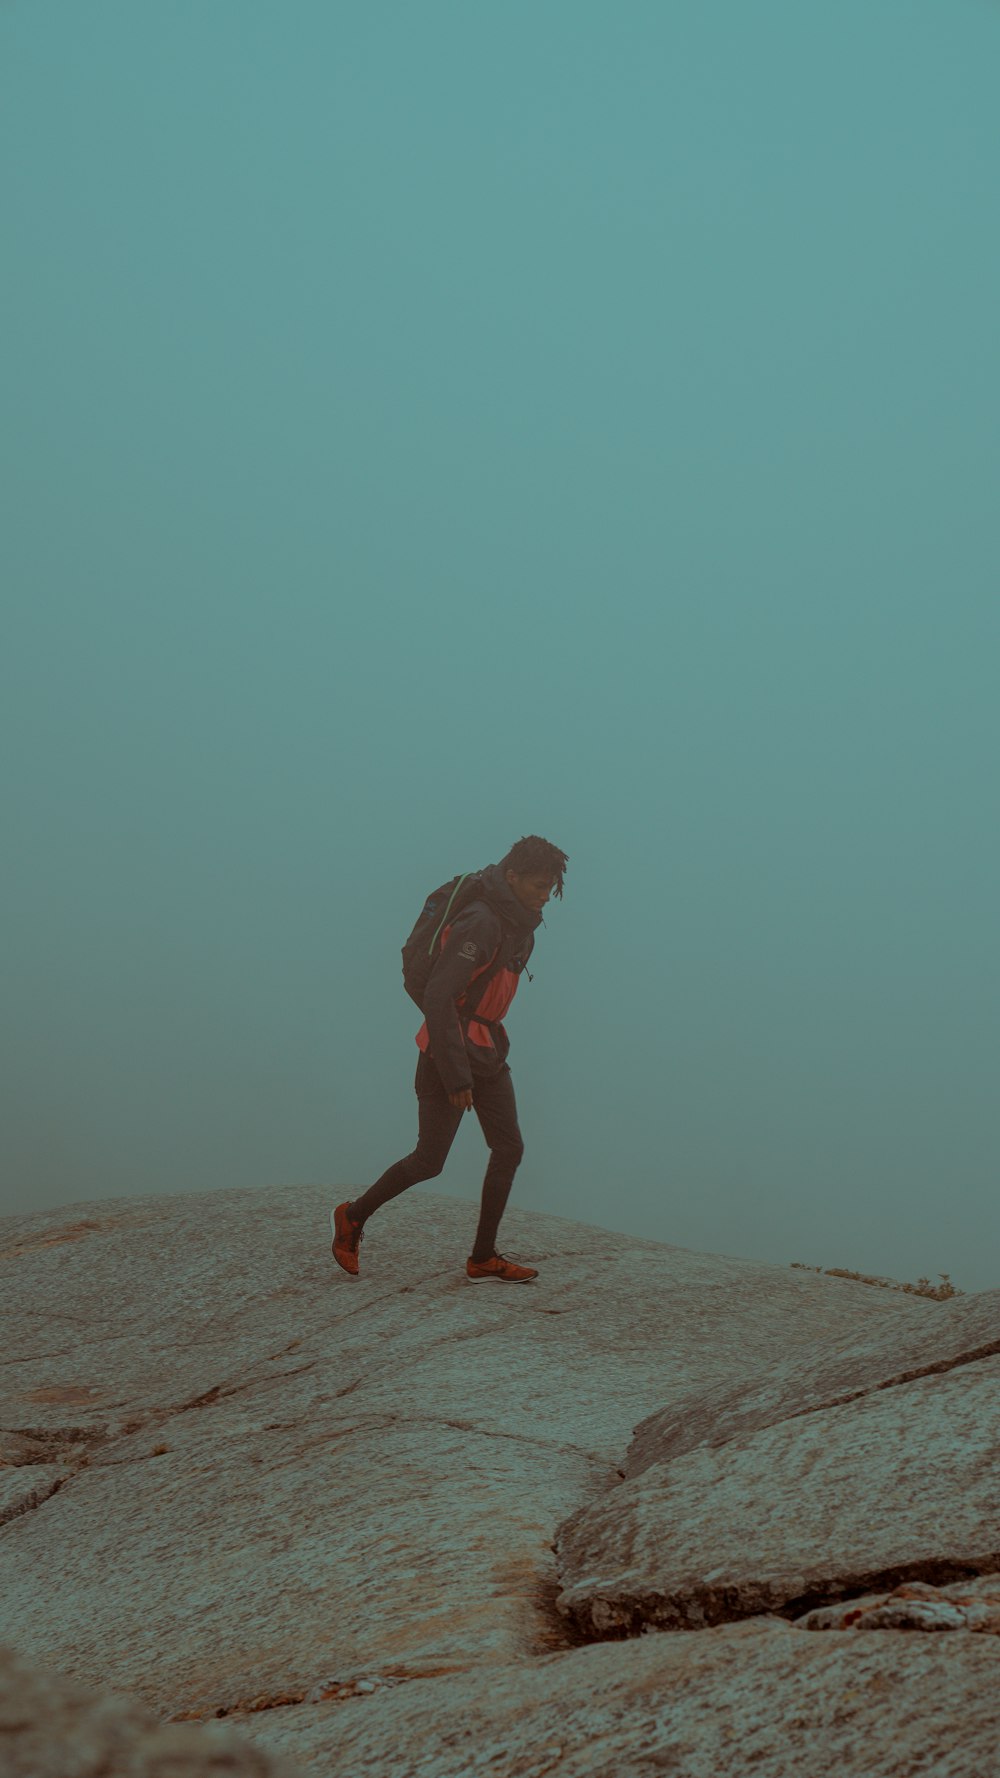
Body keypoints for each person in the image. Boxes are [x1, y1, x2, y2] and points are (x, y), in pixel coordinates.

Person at [331, 834, 568, 1283]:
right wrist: (456, 1075)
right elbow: (439, 995)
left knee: (509, 1147)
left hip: (487, 1047)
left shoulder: (518, 921)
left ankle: (482, 1257)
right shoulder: (482, 922)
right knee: (429, 1160)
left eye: (549, 888)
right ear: (512, 876)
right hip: (449, 1050)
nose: (544, 897)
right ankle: (353, 1216)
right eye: (538, 886)